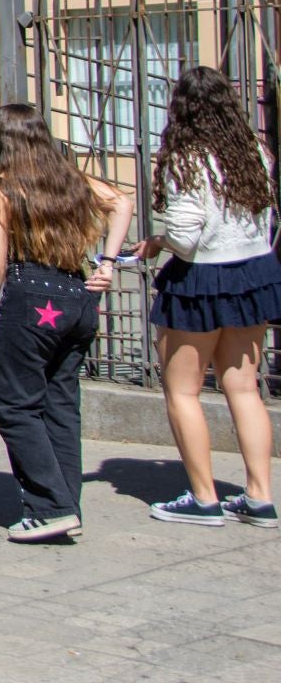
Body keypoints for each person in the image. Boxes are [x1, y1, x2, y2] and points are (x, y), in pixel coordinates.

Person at [0, 103, 131, 542]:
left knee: (12, 402)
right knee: (61, 403)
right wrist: (109, 262)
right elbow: (122, 201)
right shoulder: (68, 179)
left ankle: (50, 504)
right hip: (76, 295)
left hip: (31, 296)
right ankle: (66, 502)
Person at [134, 67, 280, 528]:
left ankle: (204, 498)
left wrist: (158, 241)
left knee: (182, 391)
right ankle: (260, 496)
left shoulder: (186, 158)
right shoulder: (254, 151)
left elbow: (186, 234)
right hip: (253, 272)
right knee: (244, 388)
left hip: (201, 279)